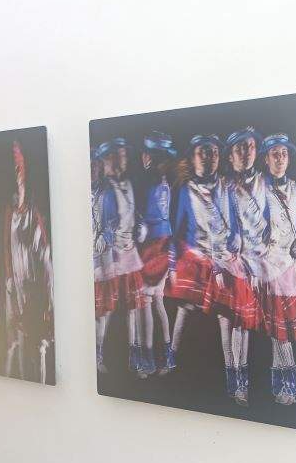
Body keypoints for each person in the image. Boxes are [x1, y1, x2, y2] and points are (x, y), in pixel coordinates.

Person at [165, 135, 242, 396]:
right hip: (195, 259)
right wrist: (173, 265)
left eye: (214, 153)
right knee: (185, 309)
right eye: (203, 152)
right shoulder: (186, 190)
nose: (209, 158)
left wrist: (233, 248)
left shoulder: (227, 187)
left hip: (223, 259)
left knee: (225, 316)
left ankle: (232, 373)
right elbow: (177, 229)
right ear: (193, 157)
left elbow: (236, 224)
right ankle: (171, 358)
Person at [258, 133, 296, 405]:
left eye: (284, 154)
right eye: (275, 154)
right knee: (279, 331)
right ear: (266, 159)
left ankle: (280, 386)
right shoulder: (258, 190)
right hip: (270, 267)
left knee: (283, 330)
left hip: (294, 267)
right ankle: (289, 385)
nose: (280, 159)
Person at [3, 141, 54, 382]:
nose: (19, 178)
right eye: (15, 170)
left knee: (38, 341)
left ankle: (41, 381)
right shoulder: (10, 213)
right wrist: (8, 276)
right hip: (19, 281)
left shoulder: (34, 212)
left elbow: (44, 247)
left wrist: (42, 250)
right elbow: (7, 246)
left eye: (20, 170)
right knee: (20, 336)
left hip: (34, 282)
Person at [223, 127, 266, 404]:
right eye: (239, 148)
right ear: (230, 156)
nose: (246, 153)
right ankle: (237, 381)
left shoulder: (266, 183)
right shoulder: (225, 187)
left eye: (250, 147)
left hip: (263, 263)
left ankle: (245, 380)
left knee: (251, 325)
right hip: (234, 264)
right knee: (236, 323)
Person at [98, 138, 145, 375]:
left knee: (132, 308)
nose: (123, 159)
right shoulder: (104, 189)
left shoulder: (128, 183)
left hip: (130, 254)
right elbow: (104, 223)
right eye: (120, 155)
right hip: (111, 256)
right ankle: (97, 355)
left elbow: (132, 213)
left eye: (125, 155)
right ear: (109, 159)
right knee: (105, 310)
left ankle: (134, 358)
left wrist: (140, 226)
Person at [136, 130, 176, 377]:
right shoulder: (165, 182)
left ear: (148, 156)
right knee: (157, 301)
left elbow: (144, 217)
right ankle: (166, 356)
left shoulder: (149, 181)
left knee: (147, 301)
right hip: (163, 241)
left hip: (153, 244)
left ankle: (149, 359)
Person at [91, 151, 118, 373]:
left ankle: (98, 355)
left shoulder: (107, 193)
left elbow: (113, 222)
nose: (91, 169)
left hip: (102, 258)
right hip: (82, 261)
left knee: (102, 311)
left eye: (94, 165)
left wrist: (105, 236)